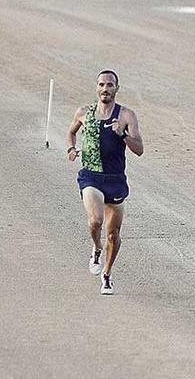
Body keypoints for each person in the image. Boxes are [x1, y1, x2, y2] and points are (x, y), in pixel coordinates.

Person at [66, 70, 143, 295]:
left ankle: (107, 274)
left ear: (116, 89)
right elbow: (71, 132)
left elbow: (139, 150)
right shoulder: (83, 112)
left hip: (116, 179)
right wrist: (71, 148)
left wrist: (122, 134)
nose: (105, 89)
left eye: (110, 85)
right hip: (91, 176)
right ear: (96, 87)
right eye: (101, 84)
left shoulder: (127, 116)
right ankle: (96, 248)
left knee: (113, 234)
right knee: (95, 221)